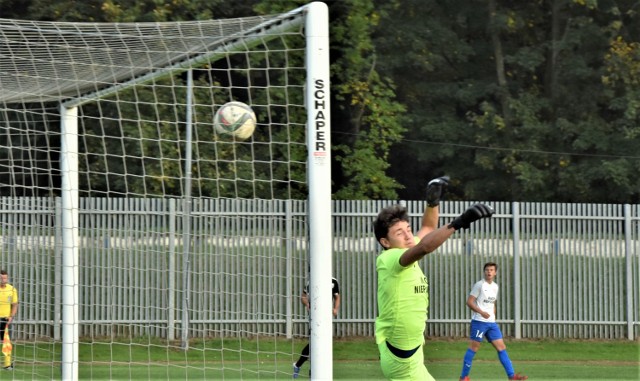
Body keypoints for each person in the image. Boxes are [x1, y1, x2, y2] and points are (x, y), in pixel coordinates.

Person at [373, 176, 494, 381]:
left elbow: (428, 228)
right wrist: (459, 222)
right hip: (402, 358)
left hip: (411, 353)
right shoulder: (389, 258)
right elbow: (425, 247)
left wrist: (432, 203)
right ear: (385, 241)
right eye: (399, 233)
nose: (408, 236)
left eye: (409, 230)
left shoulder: (406, 247)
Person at [459, 263, 528, 381]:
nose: (489, 272)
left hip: (491, 323)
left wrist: (493, 316)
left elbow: (493, 303)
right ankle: (463, 377)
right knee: (474, 348)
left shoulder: (495, 286)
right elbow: (469, 302)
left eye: (491, 270)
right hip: (479, 322)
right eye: (486, 270)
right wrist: (481, 312)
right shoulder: (479, 285)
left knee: (501, 347)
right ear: (484, 272)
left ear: (495, 272)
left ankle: (512, 377)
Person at [293, 276, 340, 379]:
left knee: (321, 342)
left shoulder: (333, 281)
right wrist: (307, 304)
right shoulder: (312, 280)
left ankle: (299, 365)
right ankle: (309, 370)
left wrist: (335, 309)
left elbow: (337, 297)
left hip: (326, 318)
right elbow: (303, 297)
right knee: (315, 341)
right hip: (314, 317)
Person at [0, 270, 18, 371]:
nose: (3, 280)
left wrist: (11, 316)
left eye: (5, 278)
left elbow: (15, 304)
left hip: (5, 319)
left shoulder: (12, 289)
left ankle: (7, 365)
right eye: (1, 278)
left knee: (6, 342)